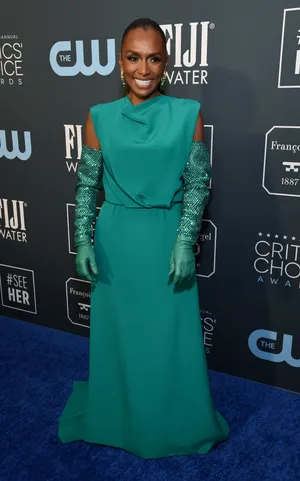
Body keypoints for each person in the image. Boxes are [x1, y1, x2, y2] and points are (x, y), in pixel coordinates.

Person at [58, 17, 229, 459]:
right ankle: (120, 415)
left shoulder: (188, 114)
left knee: (168, 338)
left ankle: (173, 419)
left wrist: (184, 240)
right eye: (134, 57)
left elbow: (196, 184)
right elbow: (86, 185)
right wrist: (82, 240)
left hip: (165, 238)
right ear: (120, 62)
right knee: (122, 337)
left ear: (166, 64)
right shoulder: (99, 117)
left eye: (154, 58)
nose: (143, 68)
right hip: (117, 240)